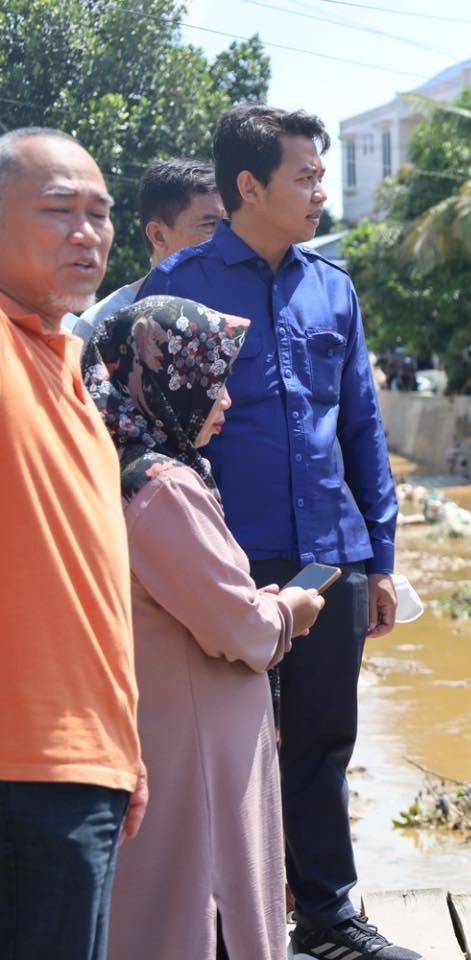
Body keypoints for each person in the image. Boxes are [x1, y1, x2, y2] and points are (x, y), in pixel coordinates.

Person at [138, 105, 411, 960]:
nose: (321, 190)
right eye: (306, 175)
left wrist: (383, 561)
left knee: (325, 742)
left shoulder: (334, 285)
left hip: (333, 556)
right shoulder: (178, 287)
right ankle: (229, 929)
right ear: (249, 185)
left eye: (323, 175)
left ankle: (328, 920)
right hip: (226, 560)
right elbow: (146, 429)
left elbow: (362, 426)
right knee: (228, 755)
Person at [86, 297, 326, 960]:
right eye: (211, 380)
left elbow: (206, 601)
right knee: (206, 907)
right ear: (168, 381)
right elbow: (240, 631)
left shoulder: (129, 469)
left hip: (175, 727)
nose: (223, 402)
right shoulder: (161, 487)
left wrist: (251, 606)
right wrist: (287, 613)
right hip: (196, 751)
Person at [0, 126, 144, 959]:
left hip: (87, 767)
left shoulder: (67, 367)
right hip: (21, 773)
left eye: (100, 213)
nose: (87, 232)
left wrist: (124, 745)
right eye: (59, 211)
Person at [70, 158, 224, 349]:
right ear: (158, 236)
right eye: (210, 225)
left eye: (230, 224)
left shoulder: (247, 307)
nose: (227, 237)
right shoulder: (102, 323)